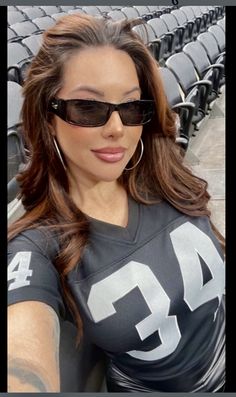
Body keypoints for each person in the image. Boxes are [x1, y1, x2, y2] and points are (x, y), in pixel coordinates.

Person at [8, 14, 225, 393]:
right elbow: (24, 361)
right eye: (88, 108)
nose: (117, 129)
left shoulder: (165, 179)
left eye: (131, 107)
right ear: (48, 117)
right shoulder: (38, 248)